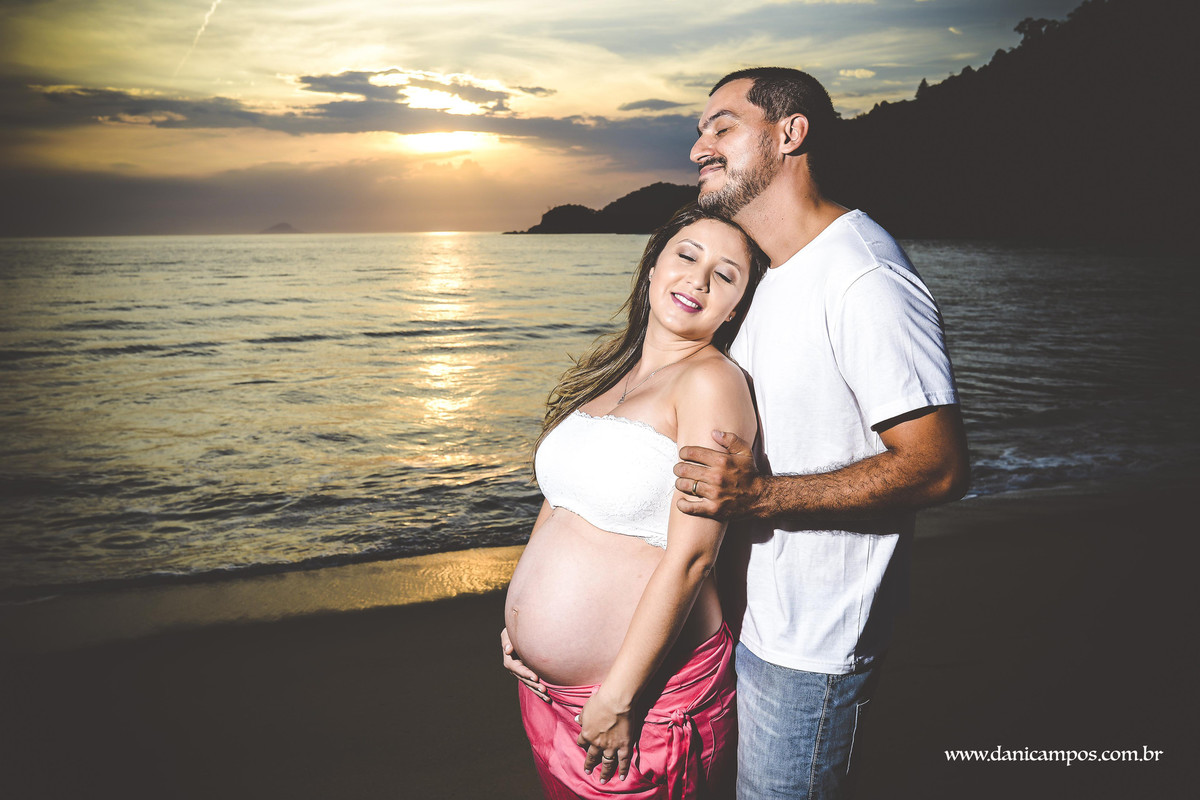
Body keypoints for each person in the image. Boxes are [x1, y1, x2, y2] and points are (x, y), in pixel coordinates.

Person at [507, 68, 970, 799]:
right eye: (700, 131)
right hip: (743, 618)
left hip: (806, 640)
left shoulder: (863, 276)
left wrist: (760, 496)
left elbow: (939, 467)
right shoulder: (769, 273)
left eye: (721, 127)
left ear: (790, 134)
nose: (699, 148)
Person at [501, 203, 769, 799]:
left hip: (639, 705)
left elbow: (694, 558)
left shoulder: (711, 383)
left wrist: (621, 697)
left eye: (725, 275)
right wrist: (519, 628)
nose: (699, 279)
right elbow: (561, 503)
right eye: (687, 256)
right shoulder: (614, 377)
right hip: (547, 694)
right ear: (652, 268)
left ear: (735, 308)